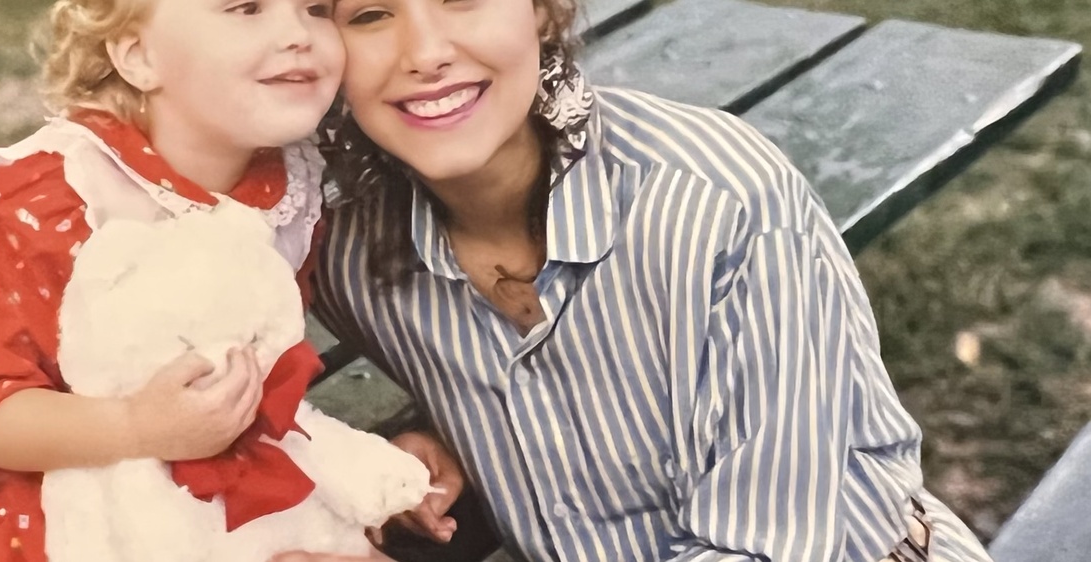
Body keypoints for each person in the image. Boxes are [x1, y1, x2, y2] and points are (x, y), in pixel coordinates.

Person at [288, 0, 998, 559]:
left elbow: (768, 548)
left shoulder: (719, 202)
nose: (426, 53)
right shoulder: (357, 260)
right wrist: (451, 439)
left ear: (540, 8)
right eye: (370, 15)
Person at [0, 0, 346, 559]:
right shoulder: (48, 200)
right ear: (139, 56)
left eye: (316, 7)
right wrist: (136, 428)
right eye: (246, 8)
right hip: (30, 482)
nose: (298, 33)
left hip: (193, 451)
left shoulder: (288, 180)